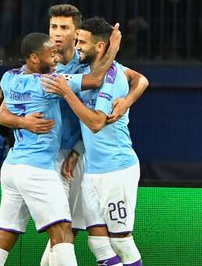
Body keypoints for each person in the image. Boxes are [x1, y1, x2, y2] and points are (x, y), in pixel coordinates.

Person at [0, 4, 148, 265]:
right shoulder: (45, 69)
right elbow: (1, 114)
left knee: (73, 231)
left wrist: (127, 101)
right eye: (53, 27)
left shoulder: (90, 64)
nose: (57, 33)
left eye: (65, 28)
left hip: (81, 158)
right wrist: (24, 122)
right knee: (81, 236)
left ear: (76, 31)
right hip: (46, 158)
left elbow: (140, 79)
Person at [42, 16, 145, 266]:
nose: (77, 46)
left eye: (82, 42)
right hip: (92, 170)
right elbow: (142, 79)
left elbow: (96, 123)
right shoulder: (85, 69)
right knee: (97, 242)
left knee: (121, 241)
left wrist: (67, 93)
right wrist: (78, 150)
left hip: (117, 168)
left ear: (100, 47)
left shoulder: (113, 76)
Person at [0, 32, 83, 266]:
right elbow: (94, 81)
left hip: (13, 166)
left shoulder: (8, 78)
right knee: (62, 230)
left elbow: (1, 115)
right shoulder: (49, 82)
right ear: (34, 59)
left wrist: (23, 121)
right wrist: (111, 50)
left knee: (5, 235)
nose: (57, 58)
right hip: (37, 168)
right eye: (52, 54)